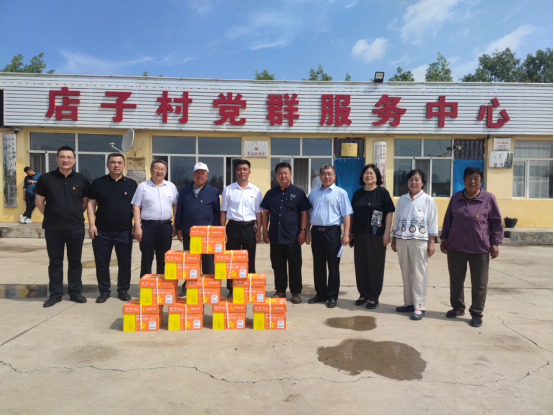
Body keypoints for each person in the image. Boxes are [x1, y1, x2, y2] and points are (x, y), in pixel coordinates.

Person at [440, 166, 504, 328]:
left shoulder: (488, 198)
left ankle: (476, 312)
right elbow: (448, 220)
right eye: (469, 178)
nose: (472, 181)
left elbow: (496, 222)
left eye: (476, 178)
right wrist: (444, 238)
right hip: (456, 246)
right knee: (456, 280)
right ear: (464, 180)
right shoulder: (456, 198)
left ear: (481, 181)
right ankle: (458, 307)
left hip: (479, 247)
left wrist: (495, 243)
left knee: (480, 283)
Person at [34, 146, 91, 308]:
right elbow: (39, 202)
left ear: (74, 160)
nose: (66, 160)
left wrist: (74, 214)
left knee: (75, 261)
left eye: (69, 157)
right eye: (62, 157)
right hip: (53, 228)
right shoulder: (46, 178)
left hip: (76, 227)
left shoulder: (81, 179)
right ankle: (55, 294)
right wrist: (52, 215)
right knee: (55, 262)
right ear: (57, 159)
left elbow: (85, 202)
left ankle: (75, 292)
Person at [87, 154, 138, 304]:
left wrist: (136, 225)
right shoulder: (98, 183)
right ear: (107, 165)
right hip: (102, 231)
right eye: (113, 162)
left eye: (119, 162)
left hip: (124, 231)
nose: (116, 165)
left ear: (124, 165)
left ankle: (123, 290)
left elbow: (136, 207)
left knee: (125, 263)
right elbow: (91, 204)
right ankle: (104, 291)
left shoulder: (131, 184)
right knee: (102, 263)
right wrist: (91, 225)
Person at [391, 169, 439, 321]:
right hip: (402, 239)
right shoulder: (402, 200)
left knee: (419, 274)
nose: (413, 182)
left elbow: (433, 222)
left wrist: (432, 243)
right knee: (406, 272)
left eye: (417, 180)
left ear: (423, 182)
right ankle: (409, 302)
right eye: (411, 180)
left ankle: (419, 305)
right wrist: (394, 238)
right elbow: (397, 219)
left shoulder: (428, 200)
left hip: (420, 241)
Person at [261, 162, 311, 304]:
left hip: (293, 236)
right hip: (275, 236)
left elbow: (304, 213)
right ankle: (280, 290)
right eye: (280, 173)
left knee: (295, 265)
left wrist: (303, 231)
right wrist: (264, 231)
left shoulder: (299, 192)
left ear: (290, 174)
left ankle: (295, 292)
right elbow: (266, 213)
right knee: (277, 265)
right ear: (276, 175)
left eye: (285, 173)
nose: (283, 176)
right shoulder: (270, 194)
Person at [306, 165, 353, 309]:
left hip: (332, 232)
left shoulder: (340, 193)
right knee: (318, 264)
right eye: (324, 174)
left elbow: (347, 214)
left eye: (329, 174)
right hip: (316, 232)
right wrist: (307, 232)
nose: (327, 176)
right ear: (319, 176)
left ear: (334, 176)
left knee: (333, 265)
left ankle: (332, 296)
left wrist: (346, 234)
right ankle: (320, 294)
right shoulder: (313, 193)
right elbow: (308, 214)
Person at [351, 164, 396, 310]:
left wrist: (387, 233)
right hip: (359, 234)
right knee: (361, 265)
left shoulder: (382, 193)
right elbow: (352, 214)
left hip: (377, 235)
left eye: (371, 173)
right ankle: (363, 294)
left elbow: (389, 213)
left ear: (377, 176)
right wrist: (350, 232)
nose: (368, 175)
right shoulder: (358, 193)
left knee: (375, 265)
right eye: (366, 173)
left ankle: (373, 297)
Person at [175, 162, 221, 296]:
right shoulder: (184, 190)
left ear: (207, 176)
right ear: (193, 175)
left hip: (207, 234)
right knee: (190, 261)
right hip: (188, 233)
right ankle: (188, 285)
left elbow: (217, 213)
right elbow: (180, 210)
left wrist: (216, 231)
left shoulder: (213, 191)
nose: (200, 176)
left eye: (203, 173)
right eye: (197, 173)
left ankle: (209, 286)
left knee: (208, 262)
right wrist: (178, 227)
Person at [220, 160, 263, 298]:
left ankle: (248, 286)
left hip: (250, 228)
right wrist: (223, 231)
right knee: (232, 259)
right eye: (239, 169)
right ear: (235, 172)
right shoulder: (228, 189)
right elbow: (223, 212)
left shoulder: (256, 191)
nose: (242, 171)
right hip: (232, 227)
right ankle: (232, 288)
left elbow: (258, 213)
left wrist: (259, 230)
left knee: (249, 259)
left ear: (249, 172)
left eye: (245, 169)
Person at [132, 160, 179, 278]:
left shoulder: (171, 186)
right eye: (157, 168)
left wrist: (175, 224)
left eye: (162, 169)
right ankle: (146, 284)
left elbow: (175, 206)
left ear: (166, 172)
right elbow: (136, 207)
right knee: (147, 257)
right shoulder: (143, 186)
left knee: (163, 258)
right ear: (151, 170)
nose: (159, 171)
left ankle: (161, 285)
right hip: (148, 226)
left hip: (166, 226)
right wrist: (137, 227)